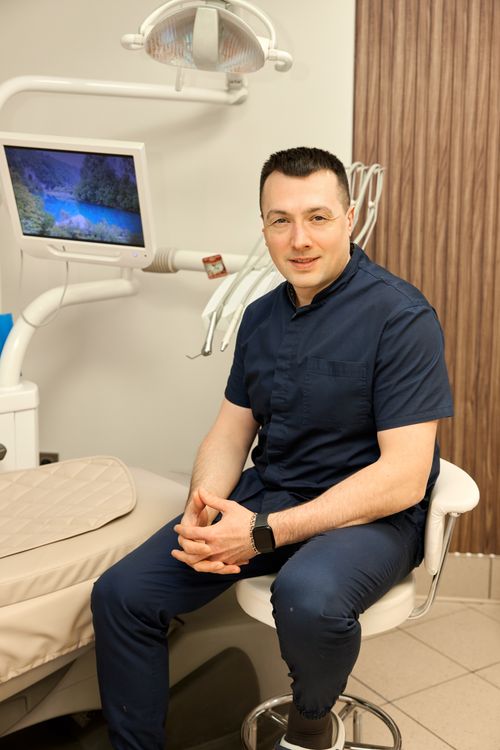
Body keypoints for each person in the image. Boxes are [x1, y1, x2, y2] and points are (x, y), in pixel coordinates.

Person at [91, 147, 453, 750]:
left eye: (318, 217)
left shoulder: (401, 317)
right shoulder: (260, 317)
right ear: (263, 227)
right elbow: (230, 432)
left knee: (306, 597)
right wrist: (203, 505)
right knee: (123, 595)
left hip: (371, 516)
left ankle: (309, 726)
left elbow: (404, 477)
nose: (299, 239)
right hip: (272, 494)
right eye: (280, 220)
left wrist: (262, 533)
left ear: (349, 218)